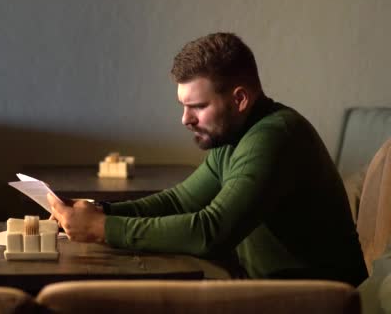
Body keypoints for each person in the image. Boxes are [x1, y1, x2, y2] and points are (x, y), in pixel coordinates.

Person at [47, 32, 368, 287]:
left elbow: (210, 233)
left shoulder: (275, 136)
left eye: (198, 106)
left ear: (240, 99)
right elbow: (179, 201)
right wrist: (97, 210)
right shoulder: (233, 137)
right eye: (183, 106)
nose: (185, 119)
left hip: (318, 299)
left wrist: (102, 228)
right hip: (270, 289)